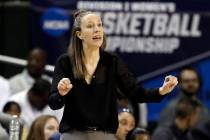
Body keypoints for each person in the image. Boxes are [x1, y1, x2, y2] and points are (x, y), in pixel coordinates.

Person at [48, 9, 178, 140]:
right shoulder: (65, 62)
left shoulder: (112, 61)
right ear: (79, 34)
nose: (97, 29)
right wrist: (60, 94)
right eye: (90, 26)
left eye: (99, 25)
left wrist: (161, 91)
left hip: (105, 135)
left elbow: (135, 92)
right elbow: (54, 103)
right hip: (72, 134)